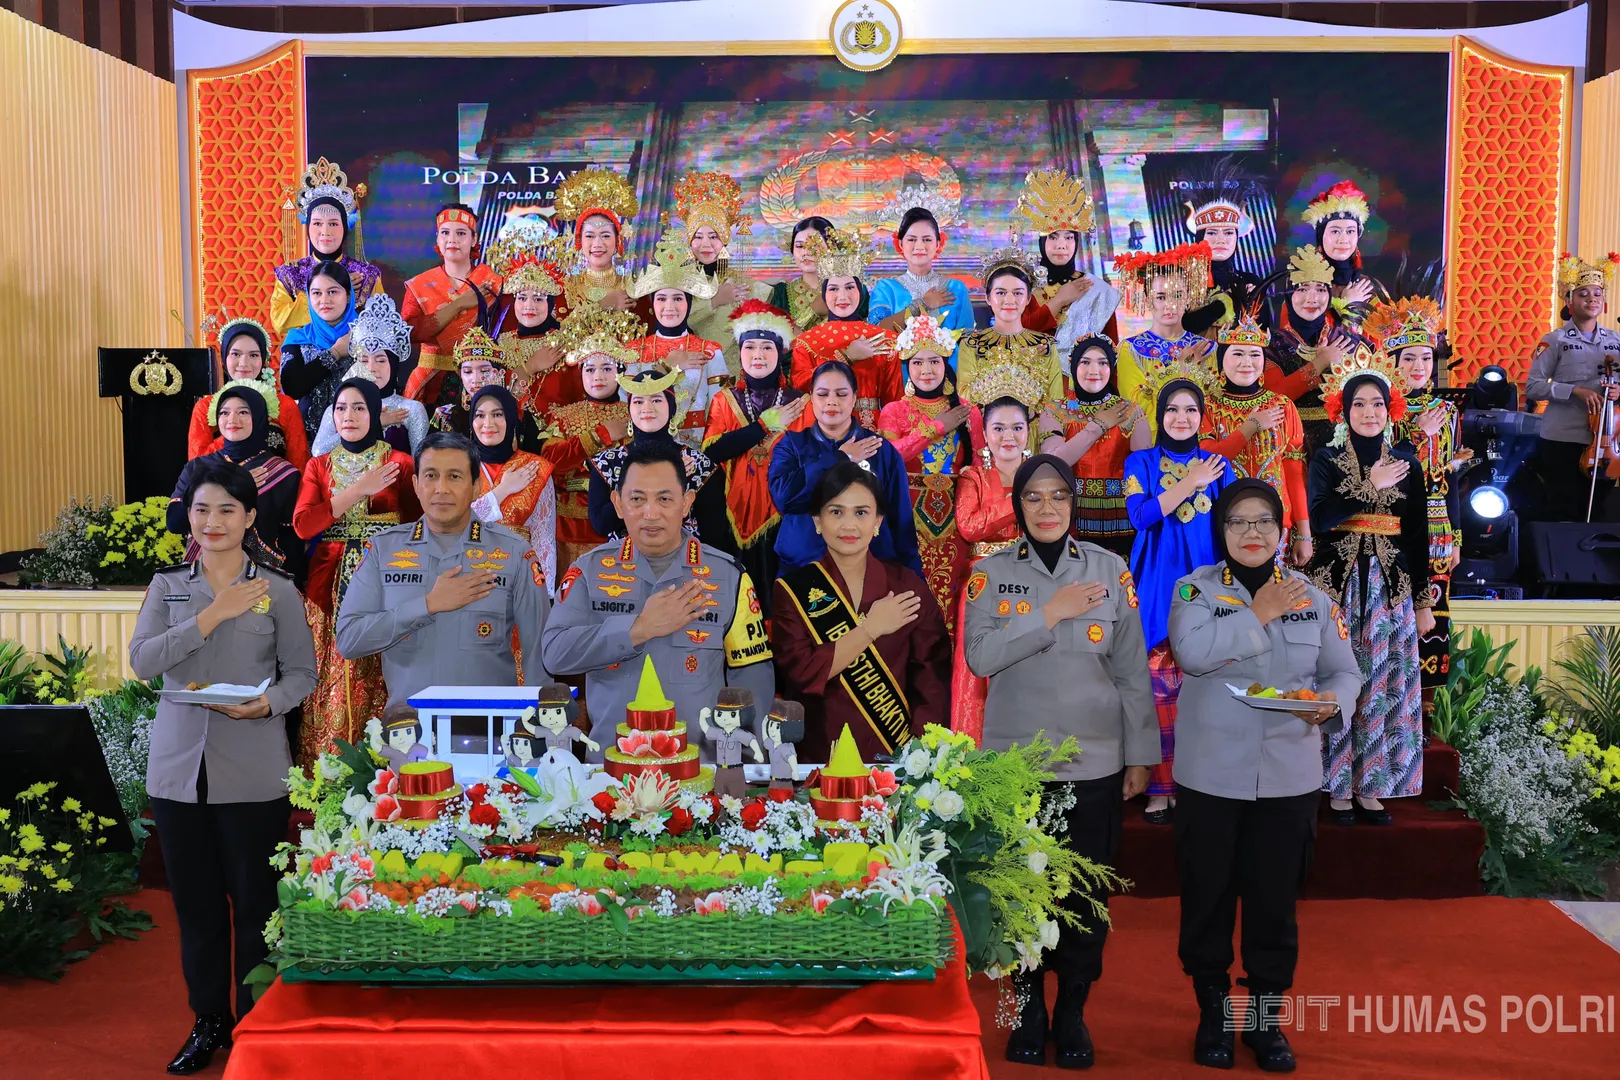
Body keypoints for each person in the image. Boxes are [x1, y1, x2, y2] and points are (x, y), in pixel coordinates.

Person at [963, 454, 1157, 1070]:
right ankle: (1028, 1011)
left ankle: (1072, 1010)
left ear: (1074, 503)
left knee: (1082, 897)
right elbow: (979, 657)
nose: (1046, 508)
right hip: (1015, 764)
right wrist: (1051, 613)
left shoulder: (1109, 569)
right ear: (1017, 506)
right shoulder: (988, 574)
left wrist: (1140, 754)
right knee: (1018, 893)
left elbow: (1131, 671)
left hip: (1094, 761)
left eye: (1059, 496)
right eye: (1034, 497)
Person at [1168, 479, 1361, 1073]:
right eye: (1238, 522)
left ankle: (1262, 1021)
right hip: (1211, 775)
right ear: (1221, 531)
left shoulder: (1313, 597)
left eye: (1263, 522)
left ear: (1281, 531)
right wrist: (1258, 613)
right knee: (1207, 901)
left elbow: (1344, 672)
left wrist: (1330, 704)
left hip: (1288, 777)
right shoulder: (1194, 590)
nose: (1251, 532)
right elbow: (1192, 654)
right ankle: (1213, 1015)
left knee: (1274, 905)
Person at [131, 458, 316, 1075]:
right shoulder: (167, 587)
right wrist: (212, 613)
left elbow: (303, 673)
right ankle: (208, 1019)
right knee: (198, 906)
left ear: (250, 517)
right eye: (202, 509)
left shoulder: (279, 590)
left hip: (254, 770)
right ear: (189, 515)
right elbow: (143, 662)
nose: (212, 522)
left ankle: (255, 1021)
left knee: (257, 904)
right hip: (178, 772)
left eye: (227, 510)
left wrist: (270, 703)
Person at [540, 439, 775, 758]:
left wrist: (743, 763)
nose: (651, 513)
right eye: (637, 499)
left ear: (687, 502)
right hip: (610, 772)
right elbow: (555, 654)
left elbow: (752, 676)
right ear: (618, 503)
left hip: (702, 771)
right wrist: (638, 629)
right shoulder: (589, 571)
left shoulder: (727, 576)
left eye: (664, 498)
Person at [1305, 354, 1431, 825]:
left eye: (1377, 403)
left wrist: (1422, 601)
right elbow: (1320, 519)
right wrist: (1368, 487)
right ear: (1343, 411)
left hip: (1389, 588)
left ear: (1390, 408)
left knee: (1381, 683)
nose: (1369, 412)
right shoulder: (1326, 459)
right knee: (1336, 679)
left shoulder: (1407, 463)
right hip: (1336, 586)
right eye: (1358, 404)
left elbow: (1416, 536)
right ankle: (1336, 785)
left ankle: (1371, 785)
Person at [337, 430, 553, 705]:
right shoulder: (383, 550)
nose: (441, 488)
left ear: (476, 487)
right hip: (407, 727)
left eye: (454, 476)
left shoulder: (514, 552)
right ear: (416, 484)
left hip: (489, 726)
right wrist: (427, 605)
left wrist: (542, 722)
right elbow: (349, 641)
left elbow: (540, 656)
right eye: (431, 476)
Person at [773, 462, 951, 761]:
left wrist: (919, 754)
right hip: (819, 755)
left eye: (861, 513)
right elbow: (802, 673)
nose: (849, 525)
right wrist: (870, 629)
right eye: (836, 512)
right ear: (817, 521)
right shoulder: (792, 590)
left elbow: (932, 679)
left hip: (897, 758)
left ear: (877, 521)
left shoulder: (907, 587)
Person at [292, 378, 421, 765]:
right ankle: (328, 767)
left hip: (388, 581)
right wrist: (358, 490)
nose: (348, 416)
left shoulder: (400, 464)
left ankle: (386, 767)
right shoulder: (319, 466)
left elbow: (417, 528)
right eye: (341, 408)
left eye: (359, 408)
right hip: (328, 583)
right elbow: (303, 525)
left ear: (375, 413)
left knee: (383, 670)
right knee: (332, 670)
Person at [1125, 364, 1232, 823]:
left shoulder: (1221, 465)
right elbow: (1141, 516)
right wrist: (1191, 482)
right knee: (1155, 686)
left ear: (1202, 416)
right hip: (1155, 580)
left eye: (1190, 410)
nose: (1181, 417)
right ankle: (1158, 785)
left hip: (1206, 582)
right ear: (1159, 414)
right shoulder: (1140, 462)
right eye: (1172, 409)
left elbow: (1231, 526)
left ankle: (1196, 783)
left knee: (1202, 687)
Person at [1374, 288, 1470, 694]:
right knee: (1395, 607)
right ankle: (1387, 696)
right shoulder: (1380, 409)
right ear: (1393, 361)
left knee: (1435, 616)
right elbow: (1384, 467)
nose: (1418, 366)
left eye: (1426, 358)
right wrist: (1418, 434)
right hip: (1395, 523)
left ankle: (1426, 707)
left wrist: (1457, 536)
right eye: (1409, 358)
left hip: (1438, 525)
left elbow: (1452, 476)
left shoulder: (1447, 411)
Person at [702, 300, 813, 603]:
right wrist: (762, 426)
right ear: (740, 353)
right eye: (750, 347)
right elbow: (712, 452)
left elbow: (812, 459)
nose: (758, 355)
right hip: (732, 513)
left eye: (767, 347)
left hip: (787, 516)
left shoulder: (800, 402)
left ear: (780, 352)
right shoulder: (725, 400)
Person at [770, 360, 920, 577]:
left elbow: (901, 521)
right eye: (822, 394)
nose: (831, 401)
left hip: (871, 570)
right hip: (804, 569)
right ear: (811, 397)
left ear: (854, 398)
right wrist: (840, 457)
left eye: (841, 394)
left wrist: (913, 580)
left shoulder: (879, 449)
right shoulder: (792, 445)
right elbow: (785, 499)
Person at [951, 389, 1039, 742]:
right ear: (985, 435)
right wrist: (1020, 499)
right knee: (977, 672)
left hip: (1033, 581)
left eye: (1017, 428)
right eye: (999, 429)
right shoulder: (973, 477)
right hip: (983, 584)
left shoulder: (1042, 477)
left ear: (1028, 432)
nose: (1008, 437)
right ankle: (970, 755)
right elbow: (969, 527)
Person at [877, 314, 973, 629]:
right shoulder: (894, 411)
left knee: (957, 596)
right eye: (918, 363)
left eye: (934, 361)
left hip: (957, 519)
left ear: (946, 364)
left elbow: (979, 465)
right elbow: (889, 458)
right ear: (908, 367)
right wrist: (936, 428)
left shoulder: (966, 410)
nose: (926, 370)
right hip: (908, 517)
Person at [1199, 306, 1312, 566]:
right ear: (1222, 359)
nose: (1246, 362)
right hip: (1221, 520)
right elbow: (1209, 460)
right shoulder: (1207, 406)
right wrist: (1251, 426)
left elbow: (1294, 471)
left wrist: (1304, 532)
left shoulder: (1282, 406)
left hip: (1275, 522)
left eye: (1254, 354)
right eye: (1238, 353)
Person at [168, 382, 303, 583]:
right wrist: (234, 484)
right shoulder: (198, 466)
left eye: (243, 412)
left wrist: (294, 587)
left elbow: (291, 540)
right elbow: (175, 522)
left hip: (261, 582)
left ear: (259, 417)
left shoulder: (282, 473)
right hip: (203, 579)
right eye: (224, 413)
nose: (232, 419)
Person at [534, 306, 637, 570]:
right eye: (590, 369)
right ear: (580, 373)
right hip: (569, 524)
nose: (598, 376)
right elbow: (549, 462)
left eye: (606, 368)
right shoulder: (563, 415)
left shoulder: (635, 413)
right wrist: (601, 435)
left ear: (621, 371)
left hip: (620, 519)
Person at [1527, 253, 1620, 521]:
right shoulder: (1554, 340)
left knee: (1599, 510)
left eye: (1597, 294)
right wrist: (1573, 391)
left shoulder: (1616, 341)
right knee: (1563, 510)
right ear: (1569, 300)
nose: (1592, 299)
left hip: (1605, 442)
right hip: (1563, 440)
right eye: (1583, 294)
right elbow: (1533, 387)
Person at [1040, 336, 1151, 559]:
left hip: (1121, 521)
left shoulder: (1130, 411)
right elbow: (1054, 462)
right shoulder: (1055, 410)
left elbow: (1144, 475)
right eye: (1085, 362)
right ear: (1073, 366)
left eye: (1102, 363)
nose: (1094, 370)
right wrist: (1099, 425)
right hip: (1068, 517)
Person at [588, 367, 722, 544]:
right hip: (624, 559)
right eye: (638, 401)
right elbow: (601, 524)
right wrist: (667, 476)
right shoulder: (606, 463)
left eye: (656, 400)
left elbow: (715, 534)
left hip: (684, 559)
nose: (647, 408)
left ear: (672, 407)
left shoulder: (698, 464)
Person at [626, 228, 731, 449]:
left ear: (689, 303)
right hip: (645, 450)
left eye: (677, 298)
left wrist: (704, 455)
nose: (669, 307)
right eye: (661, 299)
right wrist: (666, 366)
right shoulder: (634, 351)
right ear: (652, 304)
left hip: (697, 450)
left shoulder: (709, 352)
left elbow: (720, 411)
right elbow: (627, 405)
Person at [789, 228, 902, 429]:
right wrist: (845, 357)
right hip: (821, 430)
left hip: (873, 431)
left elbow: (894, 402)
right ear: (824, 294)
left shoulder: (886, 339)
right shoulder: (805, 342)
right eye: (833, 288)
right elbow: (800, 386)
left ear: (860, 290)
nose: (842, 296)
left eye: (850, 287)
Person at [1263, 245, 1364, 461]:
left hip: (1341, 448)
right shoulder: (1270, 344)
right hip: (1288, 446)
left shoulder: (1348, 341)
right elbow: (1274, 398)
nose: (1312, 298)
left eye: (1320, 289)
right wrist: (1320, 363)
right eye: (1302, 289)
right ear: (1289, 294)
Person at [401, 203, 503, 408]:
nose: (452, 239)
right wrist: (459, 304)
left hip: (479, 379)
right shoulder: (420, 285)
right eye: (445, 232)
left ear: (474, 239)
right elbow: (408, 333)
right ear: (437, 238)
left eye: (461, 233)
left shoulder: (493, 283)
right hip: (430, 382)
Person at [270, 157, 384, 339]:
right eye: (317, 223)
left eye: (333, 224)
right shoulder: (290, 274)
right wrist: (331, 288)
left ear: (345, 227)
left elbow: (381, 326)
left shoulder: (365, 275)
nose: (325, 232)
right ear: (307, 228)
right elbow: (280, 322)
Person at [672, 171, 770, 375]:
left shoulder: (740, 280)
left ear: (724, 240)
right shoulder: (678, 281)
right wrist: (716, 300)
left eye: (713, 236)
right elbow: (676, 322)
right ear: (689, 240)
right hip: (692, 373)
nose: (706, 244)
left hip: (736, 374)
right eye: (698, 237)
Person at [310, 294, 430, 457]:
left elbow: (421, 462)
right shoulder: (339, 408)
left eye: (380, 360)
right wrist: (374, 423)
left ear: (393, 365)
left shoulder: (410, 410)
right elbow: (318, 452)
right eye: (364, 360)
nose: (371, 368)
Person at [467, 384, 558, 597]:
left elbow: (544, 541)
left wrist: (545, 596)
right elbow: (454, 526)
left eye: (497, 414)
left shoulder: (534, 468)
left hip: (519, 582)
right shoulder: (460, 467)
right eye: (480, 415)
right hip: (468, 580)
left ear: (511, 419)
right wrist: (503, 490)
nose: (488, 423)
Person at [1014, 168, 1120, 347]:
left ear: (1076, 241)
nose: (1061, 245)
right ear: (1042, 242)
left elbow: (1110, 348)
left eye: (1069, 237)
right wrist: (1059, 300)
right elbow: (1017, 335)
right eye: (1053, 237)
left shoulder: (1095, 290)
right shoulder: (1026, 287)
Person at [187, 317, 309, 470]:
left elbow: (299, 465)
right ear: (224, 358)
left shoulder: (285, 406)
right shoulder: (205, 407)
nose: (244, 363)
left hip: (276, 484)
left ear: (264, 359)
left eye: (253, 355)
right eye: (235, 354)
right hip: (219, 485)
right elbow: (196, 467)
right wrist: (234, 431)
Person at [483, 217, 576, 415]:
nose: (529, 306)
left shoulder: (565, 342)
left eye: (539, 298)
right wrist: (530, 366)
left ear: (551, 304)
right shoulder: (502, 344)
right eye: (522, 298)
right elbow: (494, 398)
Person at [956, 248, 1065, 408]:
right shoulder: (972, 344)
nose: (1009, 300)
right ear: (988, 297)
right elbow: (966, 398)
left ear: (1028, 298)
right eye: (1001, 293)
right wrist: (1015, 360)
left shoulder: (1045, 345)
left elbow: (1055, 404)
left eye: (1017, 293)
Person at [1176, 155, 1270, 337]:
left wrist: (1249, 302)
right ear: (1199, 238)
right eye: (1212, 233)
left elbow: (1264, 333)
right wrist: (1221, 305)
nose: (1221, 240)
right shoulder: (1183, 280)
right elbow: (1177, 329)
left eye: (1228, 233)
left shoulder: (1250, 281)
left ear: (1236, 237)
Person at [1112, 243, 1216, 408]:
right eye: (1161, 297)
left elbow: (1211, 405)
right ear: (1148, 300)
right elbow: (1136, 408)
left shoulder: (1206, 348)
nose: (1170, 305)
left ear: (1187, 298)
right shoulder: (1130, 350)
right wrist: (1180, 367)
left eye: (1177, 296)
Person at [278, 259, 360, 444]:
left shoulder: (366, 335)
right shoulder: (298, 338)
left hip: (357, 438)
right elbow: (292, 387)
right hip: (307, 440)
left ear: (348, 295)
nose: (324, 300)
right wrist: (335, 352)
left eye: (333, 292)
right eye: (316, 293)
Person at [867, 203, 975, 338]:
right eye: (912, 239)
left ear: (937, 244)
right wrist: (922, 304)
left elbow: (967, 340)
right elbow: (875, 333)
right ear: (901, 244)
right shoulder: (886, 289)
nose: (919, 246)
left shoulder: (956, 289)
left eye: (927, 239)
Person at [553, 167, 638, 315]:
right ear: (579, 241)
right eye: (590, 236)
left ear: (618, 240)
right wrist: (603, 304)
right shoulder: (565, 288)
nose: (597, 244)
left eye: (605, 236)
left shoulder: (633, 288)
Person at [1301, 179, 1383, 304]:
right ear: (1321, 238)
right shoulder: (1302, 285)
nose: (1343, 239)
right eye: (1335, 231)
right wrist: (1346, 304)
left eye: (1350, 231)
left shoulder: (1370, 287)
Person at [767, 215, 834, 333]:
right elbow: (773, 339)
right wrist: (813, 311)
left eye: (815, 245)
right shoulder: (780, 294)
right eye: (800, 246)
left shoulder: (851, 290)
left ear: (832, 249)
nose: (806, 252)